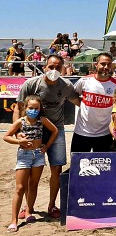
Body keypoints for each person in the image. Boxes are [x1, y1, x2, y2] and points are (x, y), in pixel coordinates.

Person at [14, 54, 80, 219]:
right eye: (51, 67)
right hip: (33, 131)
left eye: (58, 67)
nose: (54, 70)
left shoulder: (66, 85)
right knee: (30, 170)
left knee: (56, 169)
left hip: (56, 130)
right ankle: (27, 207)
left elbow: (79, 102)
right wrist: (18, 132)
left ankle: (52, 205)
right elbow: (18, 108)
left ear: (63, 68)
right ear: (44, 67)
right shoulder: (31, 84)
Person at [4, 95, 59, 232]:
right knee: (20, 188)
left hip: (38, 156)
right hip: (24, 155)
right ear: (25, 108)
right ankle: (14, 220)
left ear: (40, 109)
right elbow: (6, 136)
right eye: (31, 108)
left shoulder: (42, 120)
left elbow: (55, 131)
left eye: (36, 108)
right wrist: (19, 141)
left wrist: (47, 146)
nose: (33, 110)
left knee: (33, 185)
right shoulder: (21, 122)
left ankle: (29, 212)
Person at [71, 53, 116, 153]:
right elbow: (72, 95)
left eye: (108, 64)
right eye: (103, 64)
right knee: (79, 166)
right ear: (96, 64)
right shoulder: (84, 80)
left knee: (104, 167)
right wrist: (82, 104)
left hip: (105, 134)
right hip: (82, 132)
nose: (106, 67)